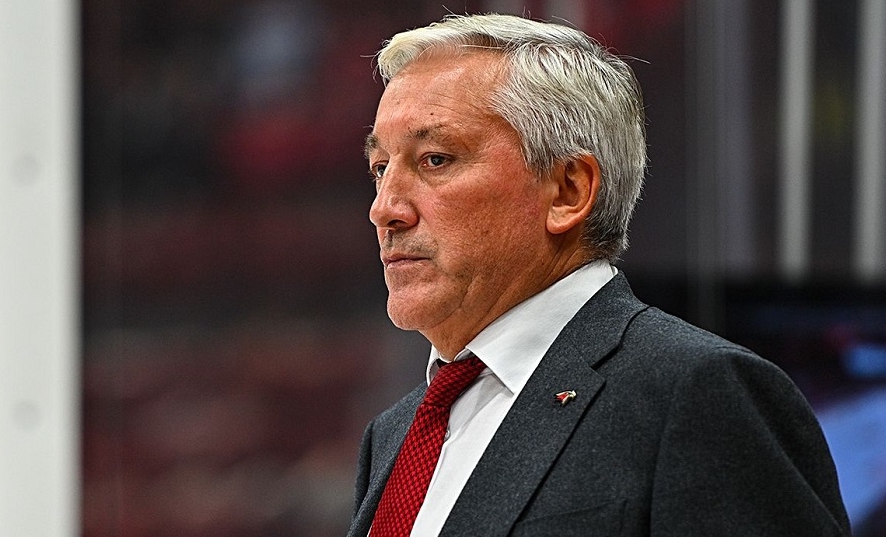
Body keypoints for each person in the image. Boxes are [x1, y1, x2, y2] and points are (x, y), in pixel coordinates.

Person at [349, 13, 851, 537]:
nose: (384, 209)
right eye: (380, 168)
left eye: (435, 159)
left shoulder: (698, 394)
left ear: (568, 191)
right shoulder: (393, 435)